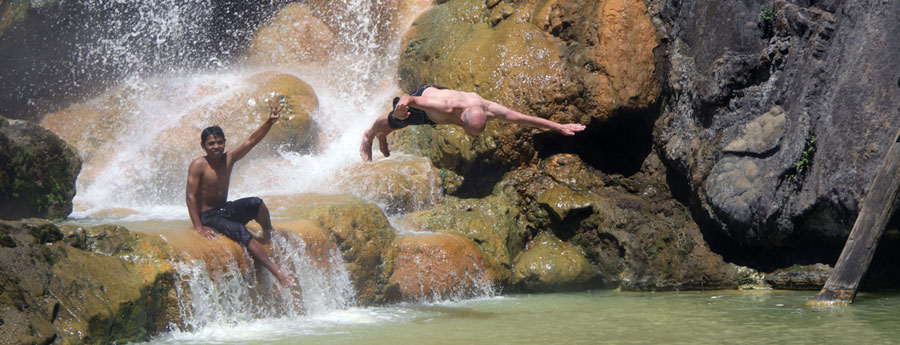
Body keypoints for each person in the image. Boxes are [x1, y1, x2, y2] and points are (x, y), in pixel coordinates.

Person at [186, 99, 296, 287]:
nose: (216, 147)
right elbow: (190, 196)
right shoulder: (199, 164)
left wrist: (270, 122)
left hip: (224, 209)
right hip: (208, 216)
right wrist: (198, 227)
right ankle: (279, 274)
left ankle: (269, 234)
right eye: (211, 143)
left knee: (256, 203)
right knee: (240, 230)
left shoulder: (229, 158)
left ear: (224, 143)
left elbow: (252, 141)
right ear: (203, 146)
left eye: (219, 142)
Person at [360, 85, 586, 161]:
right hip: (429, 100)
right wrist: (400, 109)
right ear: (461, 120)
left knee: (397, 123)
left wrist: (559, 126)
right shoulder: (443, 108)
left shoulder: (486, 108)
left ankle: (383, 134)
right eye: (471, 132)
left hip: (441, 97)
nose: (473, 136)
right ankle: (370, 135)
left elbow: (523, 119)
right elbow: (407, 98)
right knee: (397, 120)